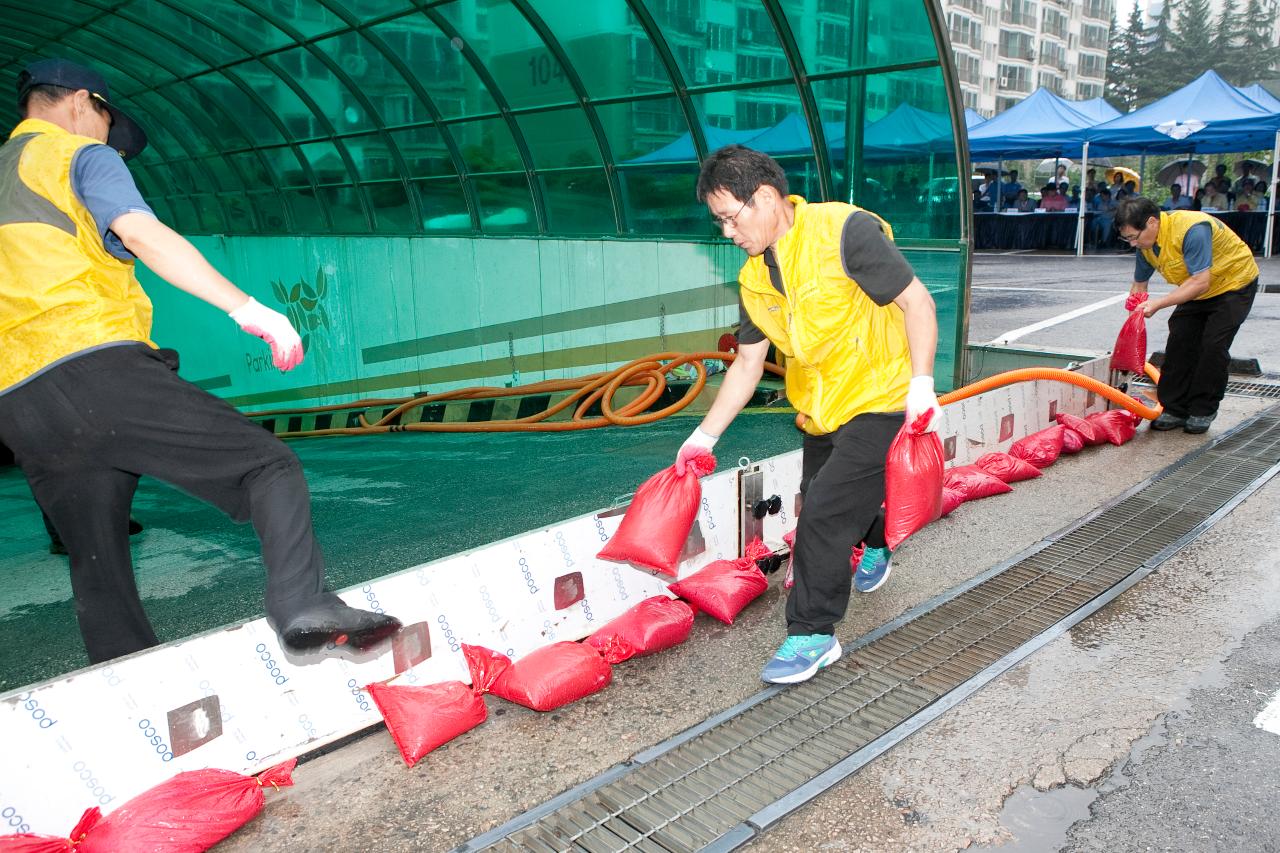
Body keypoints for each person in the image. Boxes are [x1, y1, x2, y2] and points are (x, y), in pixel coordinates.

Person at [0, 58, 401, 665]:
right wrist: (248, 309)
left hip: (18, 404)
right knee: (268, 467)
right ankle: (303, 603)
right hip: (92, 363)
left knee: (95, 563)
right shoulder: (74, 156)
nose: (113, 145)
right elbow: (142, 234)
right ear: (83, 102)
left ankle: (130, 684)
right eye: (109, 125)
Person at [680, 145, 940, 684]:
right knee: (839, 492)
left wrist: (922, 384)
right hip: (822, 407)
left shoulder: (844, 231)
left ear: (768, 198)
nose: (728, 233)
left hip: (883, 394)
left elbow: (918, 302)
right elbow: (749, 363)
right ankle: (880, 542)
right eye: (719, 222)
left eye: (731, 218)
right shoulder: (755, 278)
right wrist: (703, 438)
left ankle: (813, 634)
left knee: (822, 508)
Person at [1115, 197, 1258, 434]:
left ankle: (1203, 409)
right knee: (1180, 340)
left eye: (1133, 237)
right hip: (1196, 289)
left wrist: (1158, 304)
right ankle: (1175, 408)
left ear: (1152, 222)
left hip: (1233, 285)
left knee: (1212, 344)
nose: (1132, 244)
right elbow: (1139, 285)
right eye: (1126, 238)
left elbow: (1201, 282)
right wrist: (1134, 317)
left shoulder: (1193, 229)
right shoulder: (1145, 245)